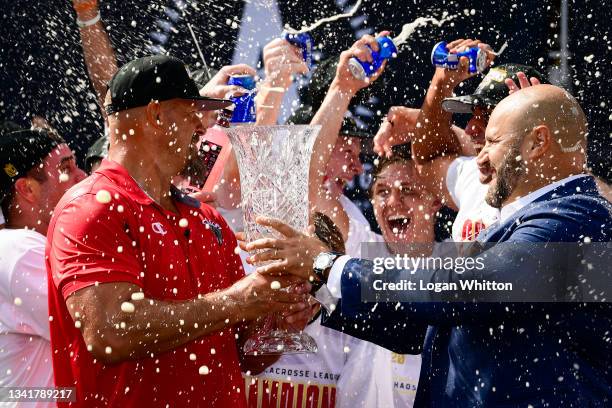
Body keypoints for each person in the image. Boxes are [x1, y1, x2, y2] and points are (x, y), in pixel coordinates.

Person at [241, 84, 612, 406]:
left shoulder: (575, 219)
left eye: (493, 143)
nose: (479, 160)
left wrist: (330, 267)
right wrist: (324, 301)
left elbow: (464, 287)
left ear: (538, 143)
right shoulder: (536, 218)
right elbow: (436, 327)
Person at [46, 55, 311, 407]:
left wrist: (280, 320)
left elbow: (244, 353)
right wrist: (238, 301)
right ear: (156, 115)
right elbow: (111, 332)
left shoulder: (208, 220)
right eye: (192, 112)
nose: (203, 127)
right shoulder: (91, 207)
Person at [373, 39, 548, 242]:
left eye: (486, 118)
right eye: (473, 116)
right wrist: (442, 81)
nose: (471, 128)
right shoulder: (476, 178)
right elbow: (429, 158)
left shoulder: (567, 195)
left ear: (537, 135)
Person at [0, 129, 86, 402]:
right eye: (65, 169)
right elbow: (106, 328)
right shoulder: (17, 250)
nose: (82, 176)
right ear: (27, 189)